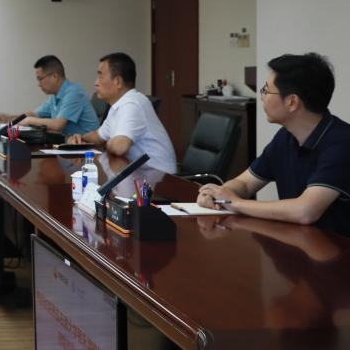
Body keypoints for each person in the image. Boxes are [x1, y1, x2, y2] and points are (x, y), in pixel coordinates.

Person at [197, 53, 350, 236]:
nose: (262, 97)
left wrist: (234, 202)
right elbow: (245, 184)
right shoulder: (286, 137)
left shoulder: (343, 142)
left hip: (336, 250)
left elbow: (305, 211)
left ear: (292, 102)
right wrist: (217, 195)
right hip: (298, 244)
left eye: (266, 90)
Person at [68, 52, 177, 173]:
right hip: (137, 173)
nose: (96, 82)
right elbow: (98, 136)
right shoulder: (117, 106)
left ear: (118, 82)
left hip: (160, 177)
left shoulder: (132, 103)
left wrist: (107, 143)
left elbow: (120, 147)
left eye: (100, 77)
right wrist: (80, 138)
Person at [21, 55, 99, 136]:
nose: (39, 84)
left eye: (40, 79)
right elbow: (34, 114)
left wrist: (28, 120)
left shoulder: (74, 93)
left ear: (54, 76)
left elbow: (58, 125)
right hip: (69, 142)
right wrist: (14, 119)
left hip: (88, 143)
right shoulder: (55, 96)